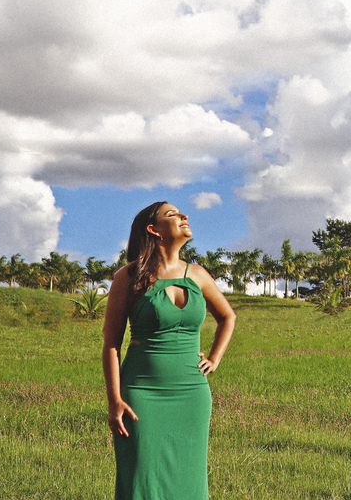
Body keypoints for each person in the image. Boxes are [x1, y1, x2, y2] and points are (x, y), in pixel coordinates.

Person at [102, 201, 237, 500]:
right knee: (142, 479)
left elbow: (228, 317)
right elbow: (111, 343)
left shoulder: (198, 274)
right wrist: (115, 401)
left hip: (192, 394)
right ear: (153, 229)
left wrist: (214, 358)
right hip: (142, 393)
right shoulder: (128, 277)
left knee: (188, 481)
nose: (184, 216)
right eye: (173, 214)